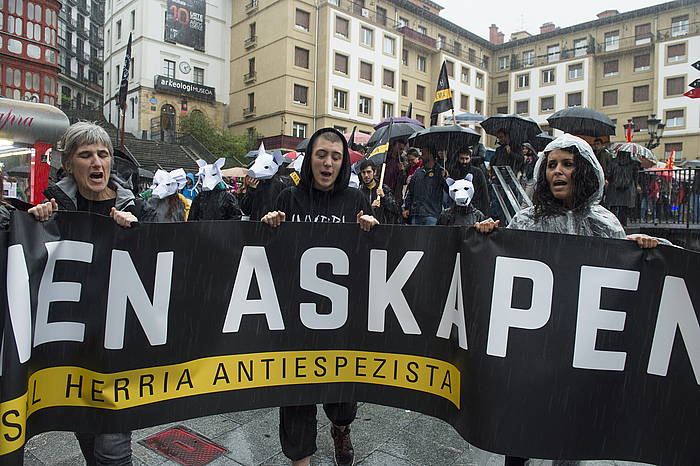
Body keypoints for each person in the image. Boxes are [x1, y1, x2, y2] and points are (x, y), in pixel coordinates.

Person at [475, 133, 658, 466]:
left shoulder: (606, 224)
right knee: (519, 425)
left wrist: (637, 249)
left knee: (572, 426)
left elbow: (619, 282)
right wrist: (487, 238)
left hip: (580, 345)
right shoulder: (526, 221)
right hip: (534, 345)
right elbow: (505, 274)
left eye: (567, 164)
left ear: (585, 170)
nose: (557, 172)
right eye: (551, 164)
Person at [261, 127, 378, 466]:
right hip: (296, 321)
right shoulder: (288, 199)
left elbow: (372, 260)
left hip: (340, 322)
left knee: (342, 399)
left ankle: (341, 429)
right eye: (321, 155)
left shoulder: (356, 201)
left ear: (343, 164)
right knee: (295, 397)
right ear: (310, 158)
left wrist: (373, 229)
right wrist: (267, 227)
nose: (328, 163)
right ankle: (301, 459)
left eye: (336, 157)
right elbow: (269, 258)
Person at [27, 121, 139, 466]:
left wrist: (138, 233)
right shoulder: (55, 207)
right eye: (86, 155)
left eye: (103, 154)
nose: (97, 163)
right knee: (87, 430)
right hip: (75, 343)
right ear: (70, 163)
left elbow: (165, 261)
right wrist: (36, 225)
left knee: (113, 448)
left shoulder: (135, 207)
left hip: (119, 342)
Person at [402, 145, 449, 225]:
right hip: (416, 214)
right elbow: (411, 191)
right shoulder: (418, 172)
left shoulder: (440, 172)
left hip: (432, 215)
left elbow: (448, 190)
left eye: (423, 153)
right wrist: (407, 207)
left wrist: (445, 179)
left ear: (430, 155)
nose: (421, 156)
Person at [358, 158, 402, 224]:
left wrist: (384, 197)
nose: (366, 175)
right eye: (363, 172)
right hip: (365, 227)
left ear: (374, 172)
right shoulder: (359, 191)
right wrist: (371, 207)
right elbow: (356, 212)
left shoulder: (383, 188)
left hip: (382, 227)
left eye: (369, 172)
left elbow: (396, 209)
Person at [450, 147, 490, 216]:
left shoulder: (477, 172)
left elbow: (484, 193)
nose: (464, 161)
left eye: (466, 159)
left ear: (470, 158)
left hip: (475, 209)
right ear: (458, 158)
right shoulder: (454, 172)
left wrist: (485, 213)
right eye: (462, 159)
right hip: (457, 211)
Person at [605, 150, 639, 227]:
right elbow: (635, 175)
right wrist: (636, 185)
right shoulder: (633, 163)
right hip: (627, 189)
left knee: (613, 207)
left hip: (614, 188)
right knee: (624, 208)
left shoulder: (613, 162)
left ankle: (612, 224)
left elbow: (608, 174)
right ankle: (623, 224)